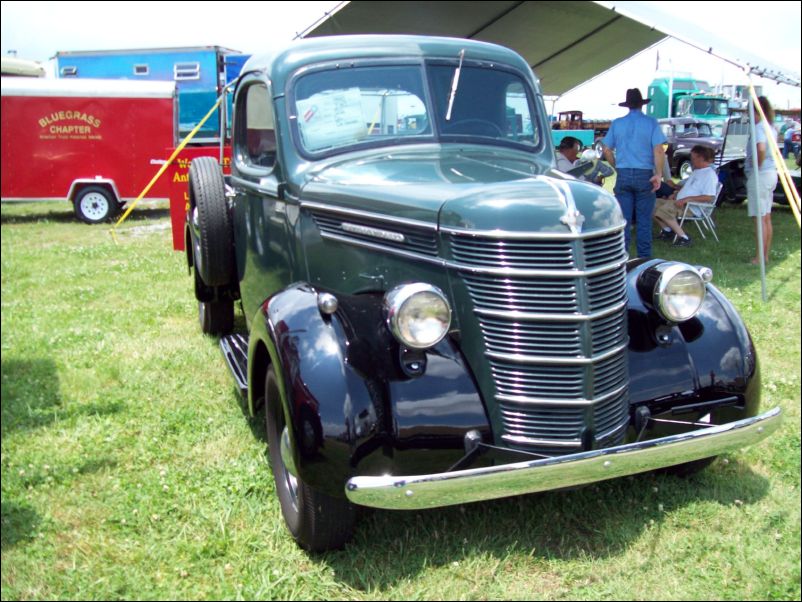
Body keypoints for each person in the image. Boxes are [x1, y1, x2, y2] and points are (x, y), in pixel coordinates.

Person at [602, 88, 667, 258]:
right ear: (642, 104)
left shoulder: (617, 123)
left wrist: (617, 166)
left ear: (628, 105)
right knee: (644, 220)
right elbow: (659, 150)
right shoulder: (651, 123)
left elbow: (607, 149)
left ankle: (621, 256)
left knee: (624, 220)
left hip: (623, 173)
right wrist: (659, 174)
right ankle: (644, 258)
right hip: (645, 173)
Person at [653, 145, 718, 247]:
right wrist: (675, 194)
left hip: (692, 207)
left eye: (693, 157)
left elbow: (709, 197)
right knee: (650, 204)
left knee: (664, 210)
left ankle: (684, 238)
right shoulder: (697, 171)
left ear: (701, 158)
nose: (691, 160)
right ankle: (667, 230)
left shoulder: (709, 174)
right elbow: (689, 189)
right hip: (681, 202)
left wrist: (687, 199)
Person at [746, 96, 778, 265]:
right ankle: (764, 255)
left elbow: (761, 148)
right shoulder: (771, 127)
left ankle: (759, 257)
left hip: (761, 174)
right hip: (771, 173)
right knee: (766, 217)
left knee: (759, 218)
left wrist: (756, 166)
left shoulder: (758, 128)